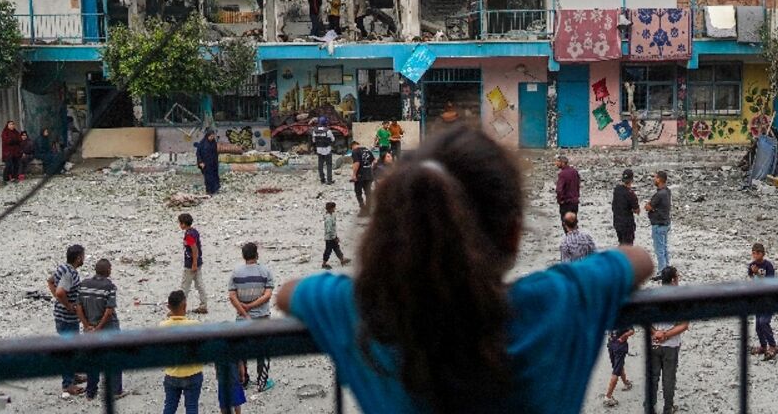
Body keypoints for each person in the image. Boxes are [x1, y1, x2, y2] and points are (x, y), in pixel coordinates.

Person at [276, 126, 654, 414]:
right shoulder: (556, 301)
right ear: (514, 234)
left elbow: (288, 293)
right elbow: (639, 261)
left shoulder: (363, 315)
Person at [229, 242, 276, 392]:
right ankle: (262, 382)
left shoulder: (236, 272)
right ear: (257, 254)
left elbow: (232, 296)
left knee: (241, 350)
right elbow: (268, 295)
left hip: (242, 318)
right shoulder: (265, 271)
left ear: (243, 256)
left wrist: (244, 311)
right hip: (262, 316)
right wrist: (253, 305)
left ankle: (243, 380)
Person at [78, 258, 126, 401]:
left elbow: (78, 307)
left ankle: (90, 391)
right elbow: (109, 311)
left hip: (89, 328)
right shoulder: (109, 286)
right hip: (108, 329)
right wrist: (99, 328)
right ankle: (116, 390)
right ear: (107, 271)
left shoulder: (83, 284)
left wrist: (86, 325)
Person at [648, 266, 688, 414]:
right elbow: (684, 325)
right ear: (673, 280)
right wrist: (666, 335)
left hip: (654, 342)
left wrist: (656, 333)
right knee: (669, 379)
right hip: (671, 344)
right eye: (677, 277)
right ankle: (668, 408)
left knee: (652, 377)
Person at [47, 243, 85, 395]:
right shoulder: (70, 274)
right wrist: (68, 305)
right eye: (83, 256)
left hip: (60, 315)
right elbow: (61, 292)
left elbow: (50, 281)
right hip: (67, 318)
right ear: (77, 258)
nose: (84, 258)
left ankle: (72, 376)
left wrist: (58, 298)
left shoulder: (62, 268)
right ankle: (68, 384)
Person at [160, 290, 204, 413]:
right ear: (185, 305)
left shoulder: (163, 326)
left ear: (169, 307)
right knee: (191, 407)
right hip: (192, 372)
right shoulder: (195, 325)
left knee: (169, 406)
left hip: (172, 372)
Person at [747, 243, 778, 360]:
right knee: (758, 326)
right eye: (753, 253)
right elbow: (751, 279)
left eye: (758, 253)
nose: (755, 255)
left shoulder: (768, 266)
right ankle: (763, 346)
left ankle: (773, 345)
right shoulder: (751, 265)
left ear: (763, 254)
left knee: (764, 322)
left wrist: (757, 274)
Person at [179, 213, 208, 314]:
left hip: (191, 264)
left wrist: (194, 264)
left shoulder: (188, 235)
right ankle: (204, 304)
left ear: (183, 224)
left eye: (180, 223)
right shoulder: (194, 231)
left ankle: (180, 308)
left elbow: (194, 249)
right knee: (199, 284)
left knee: (184, 286)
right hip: (198, 262)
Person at [645, 171, 672, 274]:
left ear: (659, 179)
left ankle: (662, 271)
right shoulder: (667, 191)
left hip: (658, 224)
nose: (654, 179)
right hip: (665, 223)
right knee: (664, 248)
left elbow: (649, 207)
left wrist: (649, 207)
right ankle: (667, 268)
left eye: (655, 177)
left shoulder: (659, 194)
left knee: (659, 249)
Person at [602, 325, 635, 407]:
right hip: (619, 346)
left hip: (611, 344)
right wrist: (623, 337)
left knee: (618, 366)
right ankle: (608, 397)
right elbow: (632, 331)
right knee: (616, 371)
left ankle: (626, 383)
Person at [611, 168, 640, 245]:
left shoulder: (617, 189)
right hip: (627, 224)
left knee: (621, 243)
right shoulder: (631, 194)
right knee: (628, 246)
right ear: (631, 180)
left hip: (617, 221)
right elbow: (636, 210)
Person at [321, 201, 351, 269]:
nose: (335, 209)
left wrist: (335, 236)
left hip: (332, 237)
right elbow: (329, 230)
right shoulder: (328, 218)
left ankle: (342, 259)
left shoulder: (331, 215)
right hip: (329, 238)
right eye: (334, 208)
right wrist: (334, 238)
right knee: (328, 250)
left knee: (336, 248)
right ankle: (324, 263)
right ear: (331, 208)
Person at [350, 140, 376, 216]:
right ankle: (368, 209)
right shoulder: (367, 150)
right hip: (369, 175)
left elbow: (356, 163)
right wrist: (371, 169)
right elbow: (374, 161)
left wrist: (354, 174)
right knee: (368, 192)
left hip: (360, 175)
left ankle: (363, 209)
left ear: (352, 146)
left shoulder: (355, 151)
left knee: (358, 192)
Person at [556, 155, 581, 222]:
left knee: (566, 224)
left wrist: (560, 200)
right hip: (575, 203)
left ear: (563, 163)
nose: (556, 163)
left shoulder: (562, 174)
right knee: (573, 224)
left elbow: (559, 190)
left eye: (558, 161)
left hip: (566, 203)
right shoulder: (574, 171)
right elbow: (578, 184)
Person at [196, 129, 221, 195]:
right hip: (206, 163)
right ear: (208, 136)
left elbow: (215, 152)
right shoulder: (202, 143)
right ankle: (209, 191)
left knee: (215, 176)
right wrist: (200, 162)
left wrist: (216, 162)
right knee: (208, 177)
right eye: (211, 137)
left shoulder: (213, 142)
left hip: (213, 163)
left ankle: (215, 189)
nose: (212, 138)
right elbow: (198, 153)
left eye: (213, 137)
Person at [311, 118, 335, 184]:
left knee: (320, 165)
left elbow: (313, 141)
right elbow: (333, 139)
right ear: (325, 123)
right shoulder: (328, 131)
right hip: (327, 150)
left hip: (319, 150)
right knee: (329, 165)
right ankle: (329, 180)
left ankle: (322, 180)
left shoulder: (314, 131)